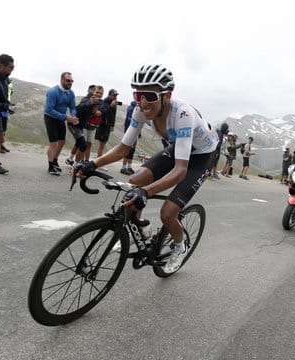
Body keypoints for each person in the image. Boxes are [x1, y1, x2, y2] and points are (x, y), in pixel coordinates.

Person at [74, 64, 218, 273]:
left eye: (149, 95)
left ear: (166, 95)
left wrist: (147, 192)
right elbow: (123, 148)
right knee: (135, 181)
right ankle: (140, 228)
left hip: (203, 155)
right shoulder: (141, 111)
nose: (142, 102)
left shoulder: (182, 114)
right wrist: (92, 164)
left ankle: (180, 246)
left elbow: (180, 171)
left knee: (168, 213)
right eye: (137, 94)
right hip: (180, 146)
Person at [43, 72, 79, 175]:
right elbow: (49, 109)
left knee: (62, 141)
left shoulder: (70, 93)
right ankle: (50, 166)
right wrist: (66, 117)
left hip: (61, 118)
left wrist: (73, 115)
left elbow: (72, 107)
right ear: (62, 80)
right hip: (50, 117)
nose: (70, 83)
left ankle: (54, 161)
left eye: (71, 81)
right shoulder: (53, 91)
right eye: (68, 81)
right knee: (53, 143)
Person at [65, 85, 95, 166]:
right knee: (83, 144)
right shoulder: (86, 99)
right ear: (90, 91)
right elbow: (79, 107)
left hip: (80, 125)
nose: (96, 93)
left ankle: (70, 159)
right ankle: (76, 165)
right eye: (94, 91)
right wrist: (88, 103)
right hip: (73, 124)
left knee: (78, 142)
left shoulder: (95, 102)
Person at [95, 89, 119, 158]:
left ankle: (98, 159)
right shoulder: (104, 102)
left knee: (104, 143)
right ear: (109, 95)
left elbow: (113, 115)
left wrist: (112, 125)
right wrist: (111, 106)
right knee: (101, 144)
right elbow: (102, 112)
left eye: (116, 95)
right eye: (114, 95)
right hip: (103, 125)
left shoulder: (113, 103)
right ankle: (98, 159)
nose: (115, 97)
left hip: (108, 125)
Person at [121, 100, 138, 175]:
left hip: (135, 131)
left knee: (132, 150)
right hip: (130, 132)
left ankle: (129, 167)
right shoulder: (131, 108)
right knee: (128, 150)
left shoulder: (135, 107)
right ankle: (123, 167)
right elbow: (130, 120)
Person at [0, 78, 14, 154]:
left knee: (4, 128)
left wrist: (9, 107)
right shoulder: (3, 85)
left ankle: (1, 145)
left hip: (5, 109)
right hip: (1, 109)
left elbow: (8, 97)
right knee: (0, 128)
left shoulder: (9, 86)